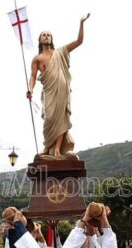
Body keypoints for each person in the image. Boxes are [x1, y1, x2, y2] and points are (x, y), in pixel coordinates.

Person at [27, 14, 90, 158]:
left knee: (61, 117)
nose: (46, 37)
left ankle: (56, 149)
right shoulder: (37, 59)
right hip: (48, 90)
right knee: (49, 118)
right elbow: (32, 76)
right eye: (44, 35)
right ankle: (47, 145)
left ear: (51, 39)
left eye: (49, 35)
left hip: (62, 88)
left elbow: (79, 41)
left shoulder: (60, 52)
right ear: (40, 39)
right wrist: (30, 89)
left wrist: (81, 23)